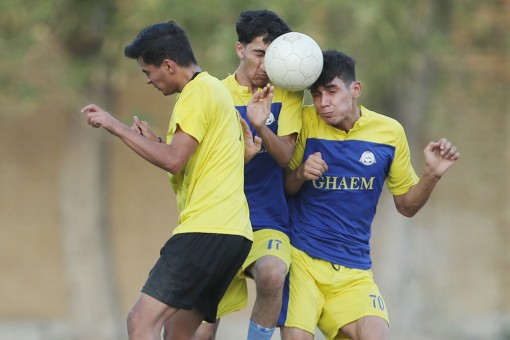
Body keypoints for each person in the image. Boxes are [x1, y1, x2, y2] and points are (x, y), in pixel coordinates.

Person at [80, 21, 253, 340]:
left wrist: (114, 126)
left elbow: (174, 161)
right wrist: (157, 142)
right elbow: (190, 160)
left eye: (147, 72)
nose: (147, 80)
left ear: (169, 65)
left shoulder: (195, 94)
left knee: (140, 321)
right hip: (233, 234)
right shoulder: (214, 89)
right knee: (178, 332)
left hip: (205, 229)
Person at [276, 50, 460, 340]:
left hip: (354, 268)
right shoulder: (304, 122)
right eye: (317, 94)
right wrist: (299, 174)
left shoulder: (389, 133)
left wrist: (432, 174)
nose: (323, 102)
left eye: (332, 91)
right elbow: (281, 190)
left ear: (355, 89)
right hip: (302, 260)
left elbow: (406, 206)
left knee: (376, 334)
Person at [164, 9, 304, 340]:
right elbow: (189, 161)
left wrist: (259, 125)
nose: (266, 65)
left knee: (273, 273)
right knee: (202, 329)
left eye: (274, 57)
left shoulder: (287, 94)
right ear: (240, 49)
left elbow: (285, 157)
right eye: (259, 54)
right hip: (219, 221)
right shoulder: (213, 92)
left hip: (266, 220)